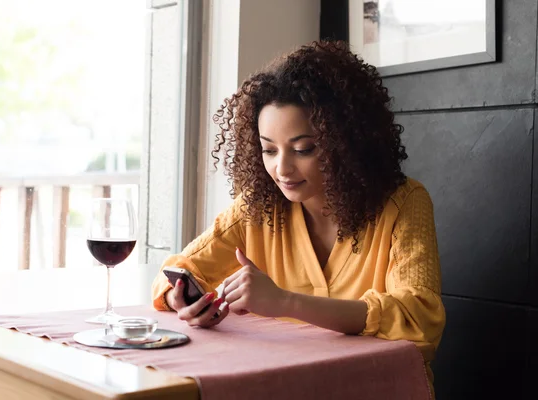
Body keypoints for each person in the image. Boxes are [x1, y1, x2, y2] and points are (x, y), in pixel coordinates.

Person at [151, 40, 445, 390]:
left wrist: (284, 302)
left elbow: (419, 317)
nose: (282, 168)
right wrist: (182, 298)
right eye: (268, 150)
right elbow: (179, 271)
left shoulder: (403, 203)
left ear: (347, 141)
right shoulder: (257, 207)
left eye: (303, 149)